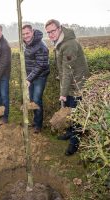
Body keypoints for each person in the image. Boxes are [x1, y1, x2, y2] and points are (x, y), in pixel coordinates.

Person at [45, 19, 90, 156]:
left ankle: (74, 143)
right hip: (70, 83)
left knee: (76, 114)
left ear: (59, 28)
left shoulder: (69, 44)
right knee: (70, 112)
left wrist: (63, 93)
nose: (51, 34)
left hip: (77, 84)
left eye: (53, 31)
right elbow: (63, 69)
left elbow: (68, 70)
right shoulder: (60, 42)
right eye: (48, 32)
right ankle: (70, 133)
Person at [22, 24, 50, 133]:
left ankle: (38, 125)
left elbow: (41, 65)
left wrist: (29, 79)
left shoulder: (40, 45)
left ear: (32, 32)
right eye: (23, 34)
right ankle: (35, 121)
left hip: (40, 76)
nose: (25, 36)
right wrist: (28, 77)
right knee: (33, 100)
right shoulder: (26, 44)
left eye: (27, 33)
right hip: (31, 76)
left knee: (37, 100)